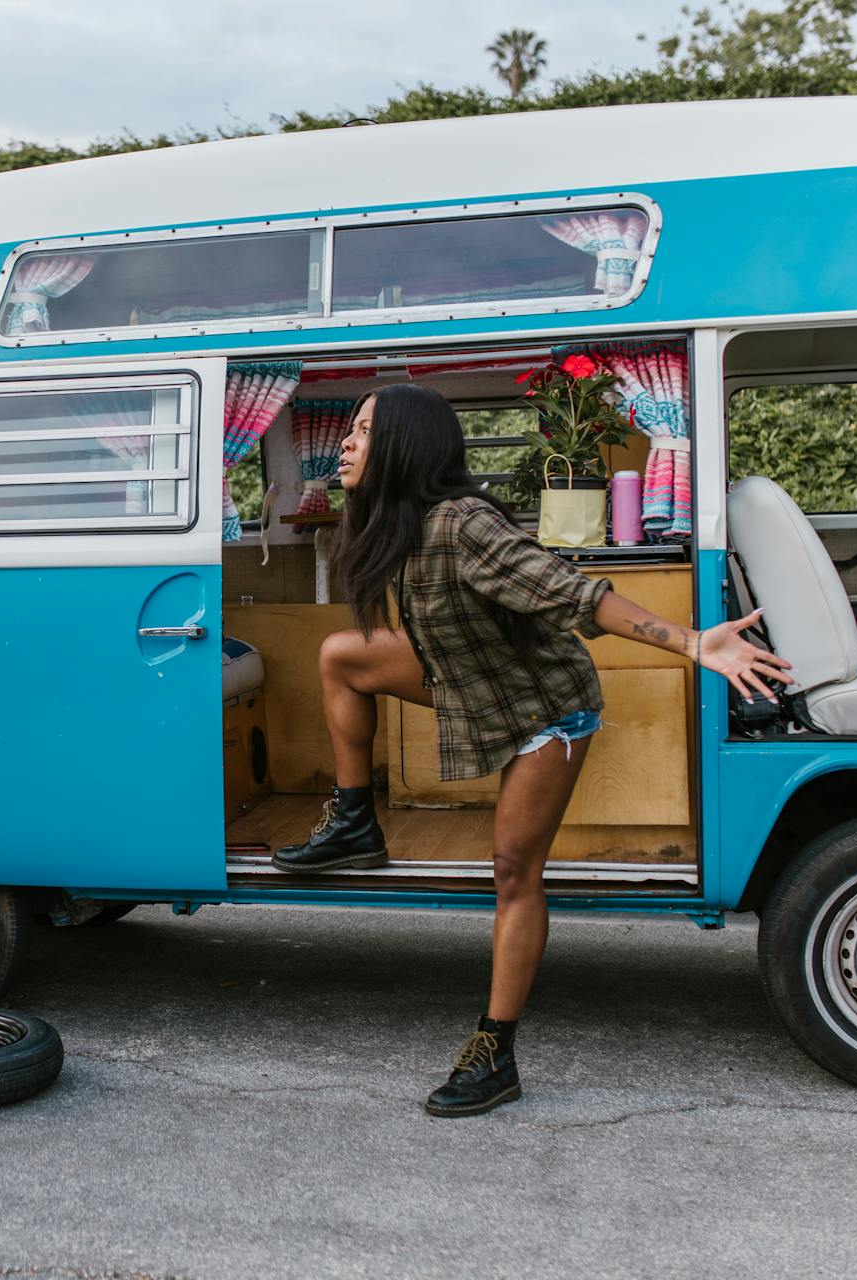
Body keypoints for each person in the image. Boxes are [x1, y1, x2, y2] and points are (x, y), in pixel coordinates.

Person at [271, 384, 790, 1118]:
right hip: (473, 676)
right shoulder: (395, 522)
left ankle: (495, 1051)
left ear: (405, 446)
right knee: (340, 656)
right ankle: (355, 821)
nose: (347, 444)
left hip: (546, 708)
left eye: (361, 431)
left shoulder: (463, 523)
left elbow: (575, 594)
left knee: (514, 869)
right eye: (349, 430)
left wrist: (692, 641)